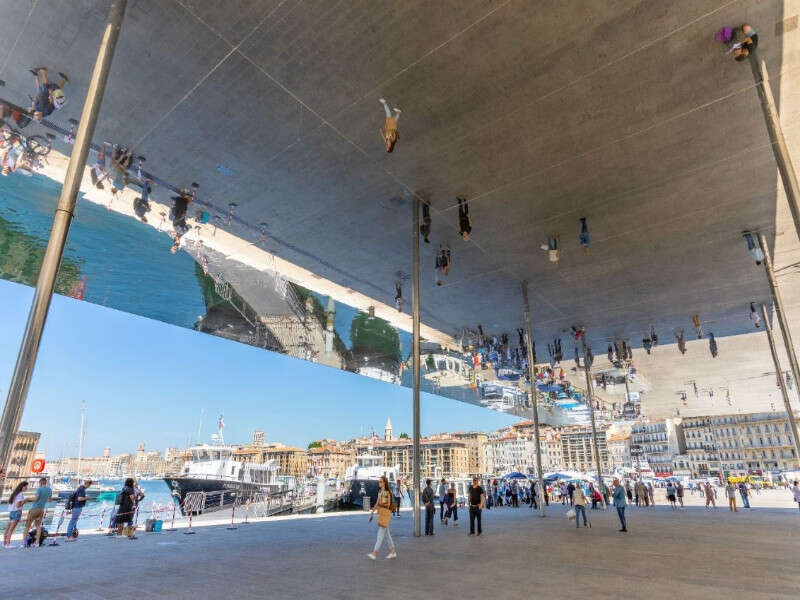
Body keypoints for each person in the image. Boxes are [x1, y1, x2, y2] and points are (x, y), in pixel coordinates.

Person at [367, 475, 397, 560]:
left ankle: (374, 553)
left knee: (380, 535)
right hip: (382, 514)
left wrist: (379, 505)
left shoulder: (386, 492)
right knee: (387, 535)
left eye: (380, 482)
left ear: (384, 483)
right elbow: (377, 503)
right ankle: (393, 552)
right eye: (379, 481)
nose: (379, 483)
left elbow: (387, 505)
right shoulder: (380, 492)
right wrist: (372, 513)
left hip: (385, 514)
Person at [22, 477, 52, 547]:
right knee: (38, 526)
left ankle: (23, 543)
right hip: (41, 510)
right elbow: (50, 500)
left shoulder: (39, 489)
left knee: (27, 526)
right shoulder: (49, 489)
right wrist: (43, 499)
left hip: (35, 509)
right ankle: (37, 543)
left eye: (39, 483)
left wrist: (27, 498)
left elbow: (35, 499)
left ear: (41, 483)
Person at [3, 481, 28, 547]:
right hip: (17, 512)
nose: (26, 488)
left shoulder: (14, 493)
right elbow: (18, 505)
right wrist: (25, 501)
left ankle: (5, 543)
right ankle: (8, 544)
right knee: (11, 529)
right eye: (26, 486)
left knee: (8, 529)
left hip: (11, 512)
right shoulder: (20, 494)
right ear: (22, 487)